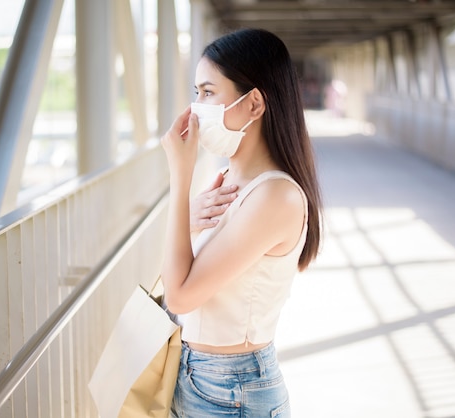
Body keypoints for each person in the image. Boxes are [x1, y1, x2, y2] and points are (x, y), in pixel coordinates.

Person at [160, 28, 322, 417]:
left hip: (233, 390)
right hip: (202, 377)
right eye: (197, 93)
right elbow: (175, 281)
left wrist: (180, 179)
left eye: (209, 92)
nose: (197, 107)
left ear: (254, 104)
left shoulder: (275, 196)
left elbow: (180, 296)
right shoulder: (230, 181)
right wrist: (187, 220)